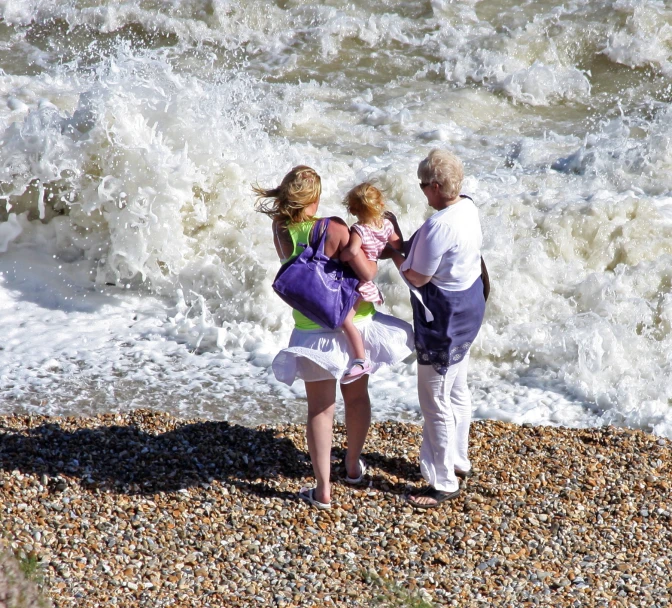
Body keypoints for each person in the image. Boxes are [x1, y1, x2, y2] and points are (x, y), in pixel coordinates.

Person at [253, 166, 414, 509]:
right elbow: (360, 268)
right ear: (315, 198)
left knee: (320, 409)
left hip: (312, 326)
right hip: (354, 321)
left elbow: (295, 264)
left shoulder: (280, 227)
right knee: (356, 398)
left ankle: (323, 489)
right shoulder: (336, 226)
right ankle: (353, 467)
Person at [387, 149, 486, 509]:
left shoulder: (438, 225)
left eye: (423, 185)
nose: (422, 191)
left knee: (434, 399)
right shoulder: (468, 207)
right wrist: (400, 241)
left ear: (438, 185)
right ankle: (458, 459)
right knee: (457, 387)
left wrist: (393, 251)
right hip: (471, 308)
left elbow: (416, 276)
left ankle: (443, 482)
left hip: (444, 320)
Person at [339, 183, 403, 384]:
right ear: (380, 204)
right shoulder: (386, 225)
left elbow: (352, 251)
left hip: (358, 281)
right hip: (369, 274)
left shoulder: (359, 229)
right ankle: (361, 358)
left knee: (346, 320)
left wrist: (340, 256)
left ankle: (360, 359)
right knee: (351, 319)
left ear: (354, 209)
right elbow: (398, 244)